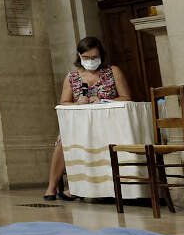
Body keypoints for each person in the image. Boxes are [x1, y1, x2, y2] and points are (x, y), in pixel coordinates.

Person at [44, 36, 132, 201]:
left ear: (101, 56)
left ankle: (86, 188)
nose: (90, 61)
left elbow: (126, 97)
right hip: (81, 125)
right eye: (86, 58)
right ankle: (52, 186)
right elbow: (64, 102)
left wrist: (105, 101)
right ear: (79, 56)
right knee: (64, 141)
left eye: (94, 58)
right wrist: (78, 104)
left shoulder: (112, 71)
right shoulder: (72, 77)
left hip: (108, 124)